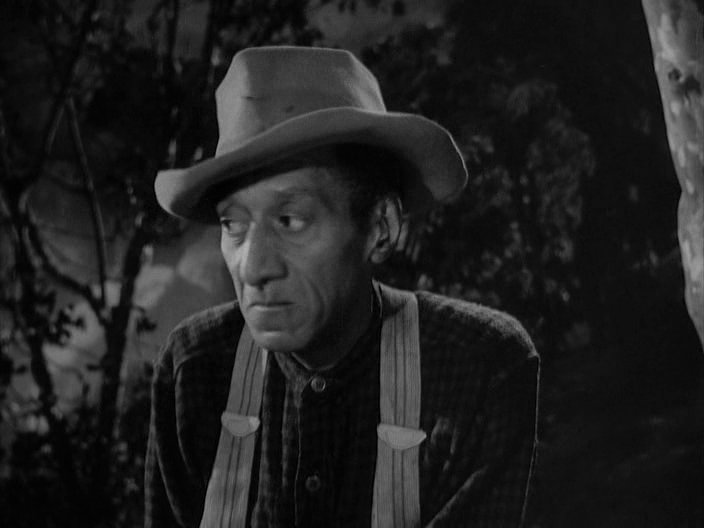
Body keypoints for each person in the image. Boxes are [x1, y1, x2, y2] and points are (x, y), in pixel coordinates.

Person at [145, 46, 539, 528]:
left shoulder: (479, 368)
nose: (253, 268)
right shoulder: (194, 367)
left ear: (381, 228)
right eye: (233, 225)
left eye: (291, 220)